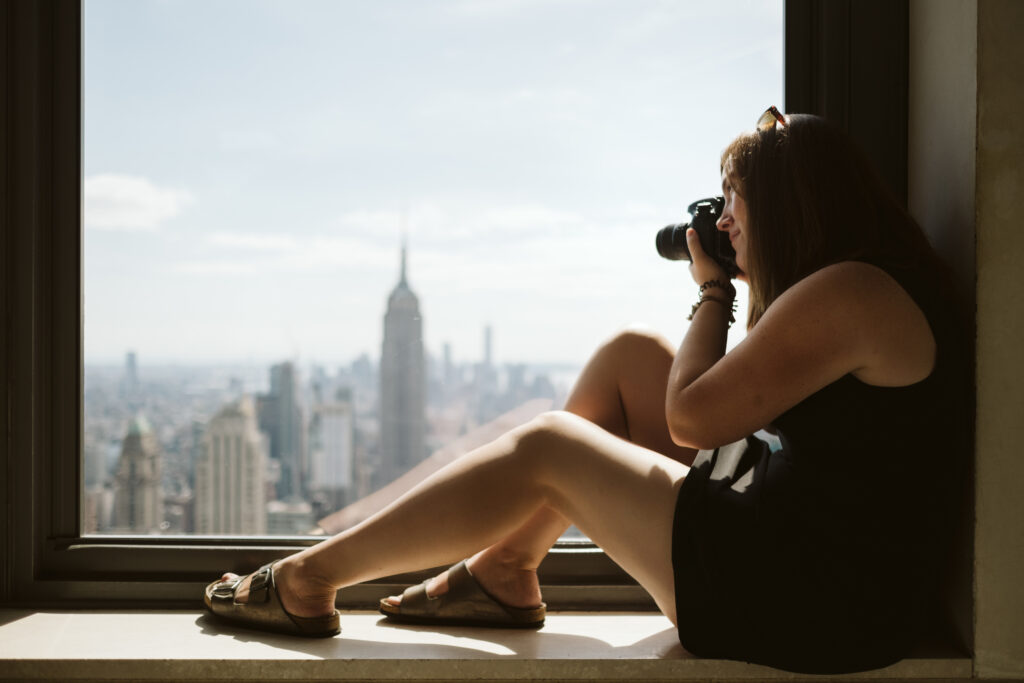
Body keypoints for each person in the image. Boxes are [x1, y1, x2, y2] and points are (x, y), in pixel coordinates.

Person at [204, 109, 968, 674]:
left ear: (788, 201)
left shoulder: (853, 294)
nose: (724, 222)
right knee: (629, 353)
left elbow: (692, 415)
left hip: (812, 602)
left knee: (550, 445)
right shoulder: (864, 280)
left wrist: (714, 292)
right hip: (809, 552)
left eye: (735, 200)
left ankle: (308, 578)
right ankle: (507, 567)